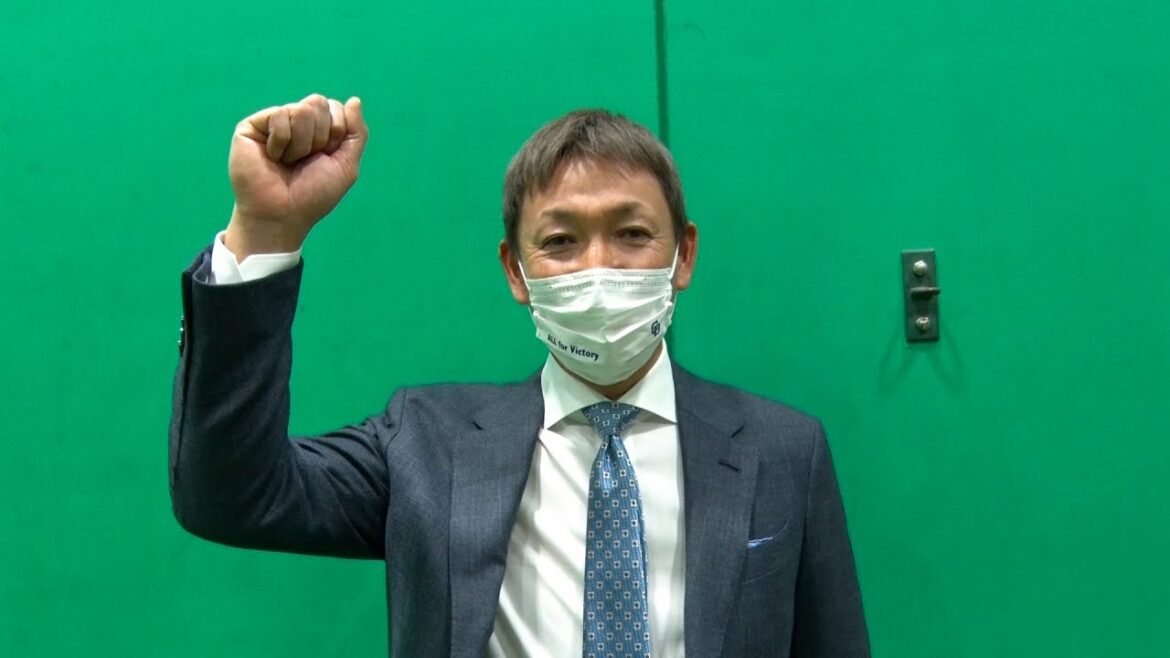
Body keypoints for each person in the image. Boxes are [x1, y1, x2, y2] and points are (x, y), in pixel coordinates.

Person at [170, 93, 870, 658]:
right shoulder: (427, 444)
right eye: (561, 241)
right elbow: (229, 496)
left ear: (683, 255)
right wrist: (264, 232)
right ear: (516, 270)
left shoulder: (783, 450)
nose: (599, 267)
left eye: (632, 234)